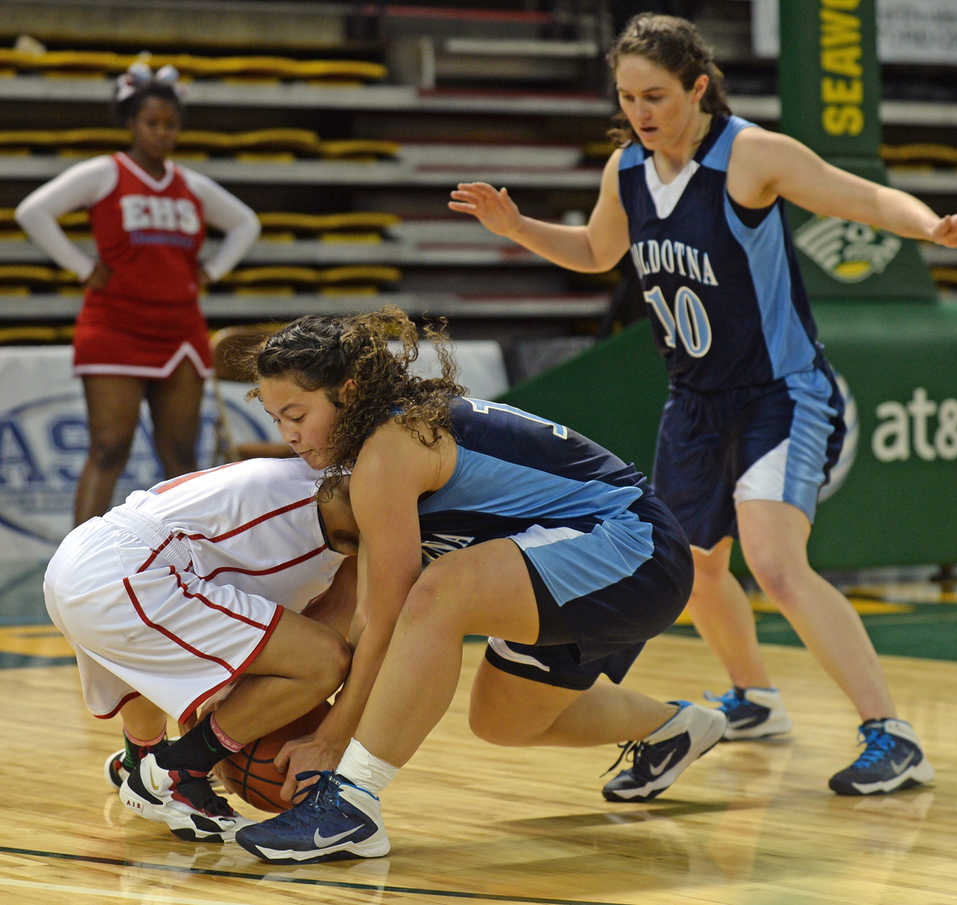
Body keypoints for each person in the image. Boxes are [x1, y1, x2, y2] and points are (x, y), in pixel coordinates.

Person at [448, 13, 957, 796]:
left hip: (781, 392)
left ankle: (892, 733)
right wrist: (518, 226)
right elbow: (600, 253)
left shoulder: (751, 155)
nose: (641, 111)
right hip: (694, 401)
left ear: (699, 86)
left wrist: (929, 226)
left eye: (657, 95)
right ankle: (756, 697)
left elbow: (858, 196)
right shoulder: (626, 171)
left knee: (773, 560)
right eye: (629, 96)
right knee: (692, 567)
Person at [232, 306, 726, 863]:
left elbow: (391, 614)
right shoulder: (379, 446)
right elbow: (362, 612)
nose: (290, 435)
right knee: (503, 720)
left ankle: (351, 805)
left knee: (441, 591)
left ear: (347, 391)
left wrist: (333, 738)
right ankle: (676, 727)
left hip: (632, 549)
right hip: (574, 562)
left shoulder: (391, 446)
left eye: (297, 414)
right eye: (277, 420)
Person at [43, 455, 353, 843]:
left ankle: (141, 759)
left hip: (84, 557)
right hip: (131, 574)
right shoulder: (362, 500)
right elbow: (348, 642)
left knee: (149, 655)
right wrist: (325, 738)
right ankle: (176, 775)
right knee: (324, 659)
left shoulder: (306, 476)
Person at [16, 60, 261, 526]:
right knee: (109, 449)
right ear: (130, 122)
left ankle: (192, 562)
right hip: (114, 326)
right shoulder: (104, 173)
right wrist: (81, 266)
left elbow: (246, 223)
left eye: (171, 125)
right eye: (152, 123)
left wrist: (213, 269)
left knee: (181, 456)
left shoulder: (191, 183)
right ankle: (77, 571)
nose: (162, 133)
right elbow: (33, 212)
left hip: (180, 328)